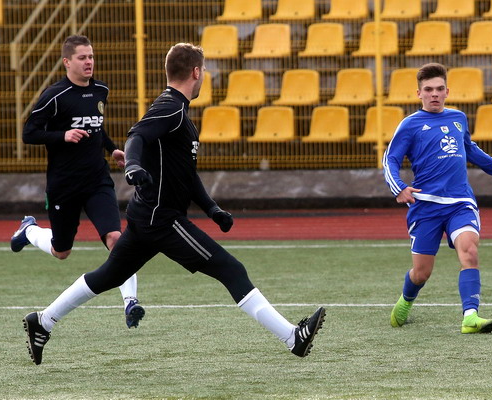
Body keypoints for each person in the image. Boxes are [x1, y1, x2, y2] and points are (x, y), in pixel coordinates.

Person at [22, 43, 326, 365]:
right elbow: (136, 136)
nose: (204, 75)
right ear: (195, 72)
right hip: (162, 220)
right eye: (203, 70)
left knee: (107, 276)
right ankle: (293, 337)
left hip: (147, 216)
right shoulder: (170, 107)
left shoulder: (178, 111)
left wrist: (211, 208)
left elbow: (185, 175)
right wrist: (132, 166)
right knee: (231, 270)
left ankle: (43, 321)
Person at [10, 35, 144, 329]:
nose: (89, 62)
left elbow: (97, 127)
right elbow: (29, 133)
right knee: (61, 251)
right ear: (67, 62)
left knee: (116, 239)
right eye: (82, 57)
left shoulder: (101, 90)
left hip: (97, 181)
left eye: (91, 56)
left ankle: (130, 303)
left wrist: (112, 150)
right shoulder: (55, 95)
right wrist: (63, 135)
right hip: (64, 185)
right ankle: (29, 230)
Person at [382, 63, 492, 334]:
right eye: (429, 89)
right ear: (419, 93)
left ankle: (470, 317)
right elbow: (390, 159)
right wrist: (399, 188)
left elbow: (470, 149)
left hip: (460, 202)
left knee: (470, 251)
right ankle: (406, 300)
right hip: (426, 206)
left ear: (447, 91)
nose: (434, 94)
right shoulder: (410, 125)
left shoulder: (458, 118)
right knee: (421, 273)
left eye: (439, 89)